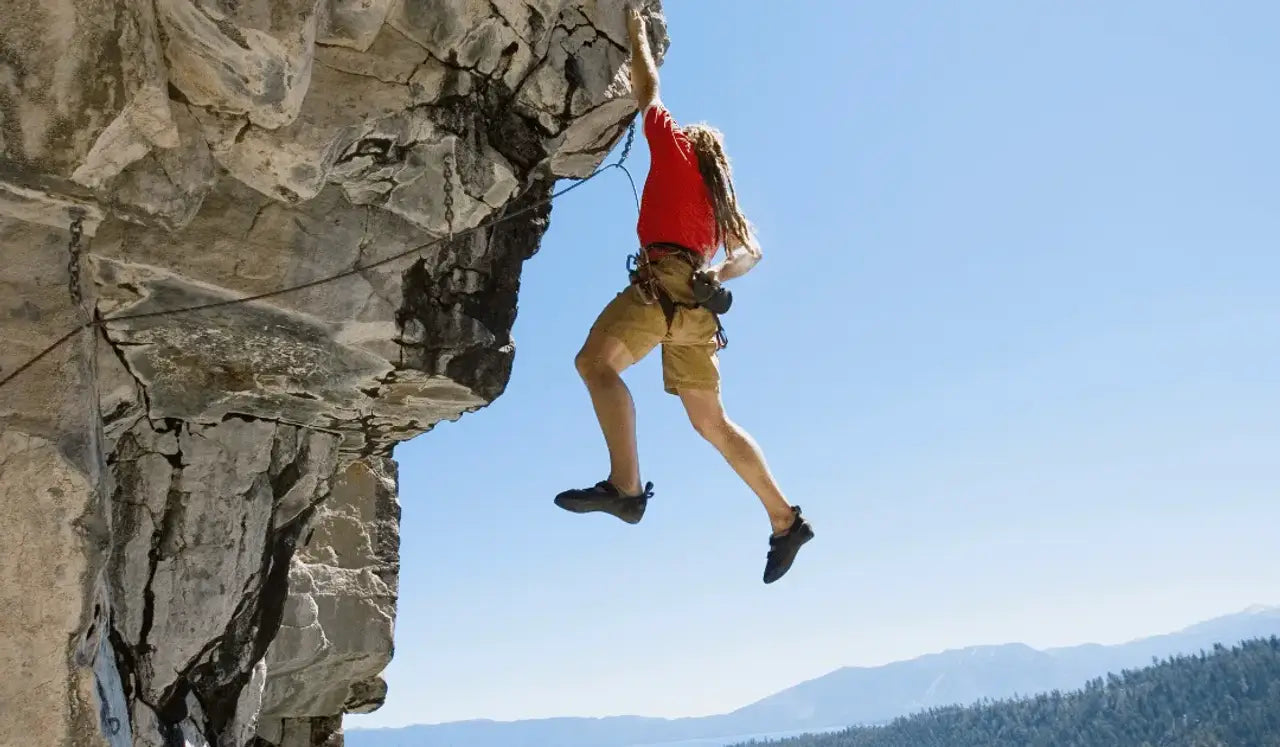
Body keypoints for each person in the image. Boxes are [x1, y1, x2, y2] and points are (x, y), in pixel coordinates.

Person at [553, 7, 814, 584]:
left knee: (595, 365)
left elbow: (649, 91)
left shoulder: (674, 150)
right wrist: (717, 278)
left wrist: (635, 31)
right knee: (712, 423)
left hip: (660, 284)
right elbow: (753, 254)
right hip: (696, 304)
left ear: (691, 145)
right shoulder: (720, 208)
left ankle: (625, 487)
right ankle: (784, 519)